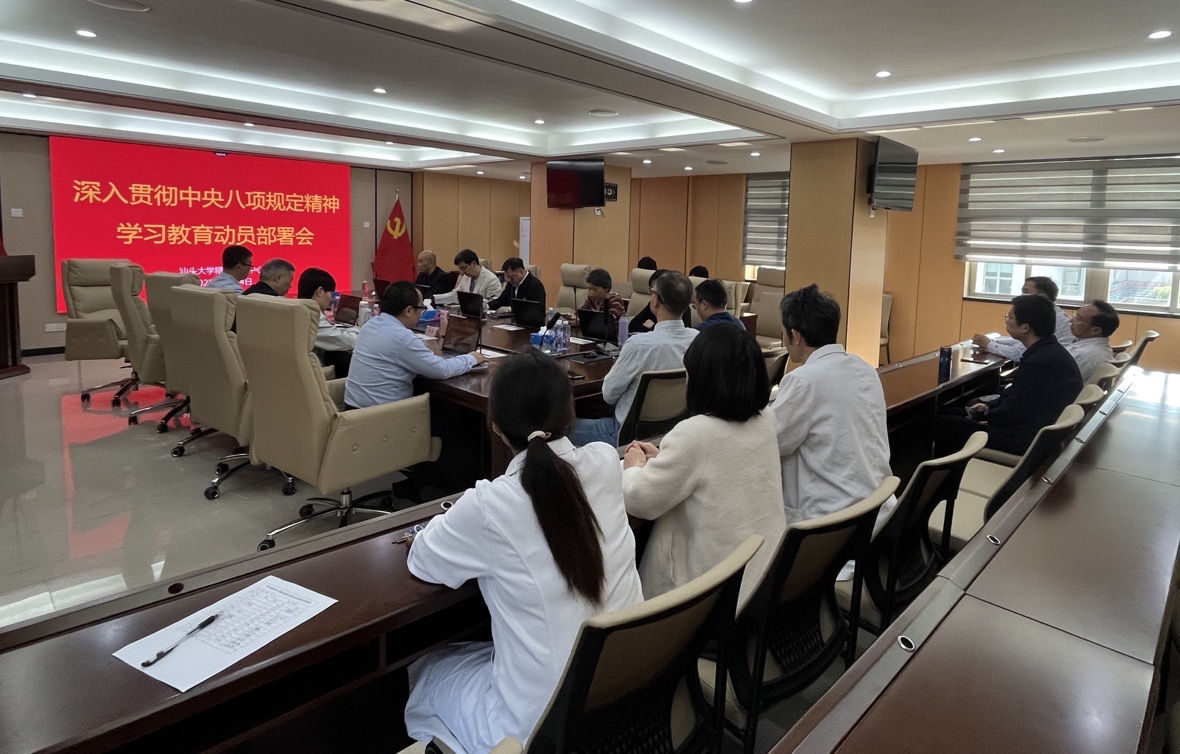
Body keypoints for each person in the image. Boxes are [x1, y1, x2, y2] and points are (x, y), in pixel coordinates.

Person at [404, 350, 644, 754]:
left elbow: (423, 561)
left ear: (495, 425)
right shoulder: (605, 461)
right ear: (570, 415)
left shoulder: (487, 505)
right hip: (624, 694)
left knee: (426, 672)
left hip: (541, 726)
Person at [622, 326, 785, 607]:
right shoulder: (766, 419)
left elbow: (639, 500)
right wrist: (665, 458)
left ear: (702, 380)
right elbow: (721, 468)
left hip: (708, 591)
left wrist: (633, 467)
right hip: (762, 572)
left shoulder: (695, 433)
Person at [770, 284, 896, 549]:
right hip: (877, 510)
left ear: (795, 335)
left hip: (831, 527)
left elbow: (772, 442)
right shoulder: (865, 368)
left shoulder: (803, 380)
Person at [938, 294, 1083, 456]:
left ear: (1025, 327)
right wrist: (989, 406)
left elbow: (1014, 412)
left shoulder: (1040, 361)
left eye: (1010, 317)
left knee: (940, 423)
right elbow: (1018, 398)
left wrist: (988, 416)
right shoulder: (1050, 351)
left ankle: (944, 470)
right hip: (1030, 428)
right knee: (951, 412)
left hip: (1022, 438)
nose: (1006, 321)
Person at [571, 271, 697, 447]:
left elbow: (608, 395)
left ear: (655, 300)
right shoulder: (698, 340)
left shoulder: (639, 345)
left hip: (625, 435)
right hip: (672, 432)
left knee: (554, 425)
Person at [344, 282, 488, 409]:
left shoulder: (371, 324)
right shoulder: (402, 337)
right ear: (409, 311)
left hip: (352, 411)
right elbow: (441, 370)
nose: (421, 314)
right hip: (381, 417)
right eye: (421, 309)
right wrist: (471, 359)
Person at [972, 276, 1076, 361]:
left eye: (1026, 292)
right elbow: (1021, 344)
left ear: (1042, 297)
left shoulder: (1049, 318)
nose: (1022, 296)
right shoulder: (1050, 312)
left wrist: (989, 344)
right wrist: (995, 342)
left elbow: (1018, 353)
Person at [296, 267, 358, 354]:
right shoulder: (312, 315)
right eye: (331, 293)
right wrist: (361, 331)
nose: (331, 298)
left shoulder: (294, 307)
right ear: (320, 291)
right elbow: (347, 341)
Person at [1065, 299, 1119, 383]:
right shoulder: (1101, 347)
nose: (1071, 320)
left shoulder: (1081, 356)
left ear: (1095, 330)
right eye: (1075, 315)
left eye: (1078, 319)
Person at [628, 269, 692, 334]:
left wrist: (653, 327)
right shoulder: (653, 305)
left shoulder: (682, 306)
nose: (651, 296)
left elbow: (679, 332)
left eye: (653, 291)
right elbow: (632, 325)